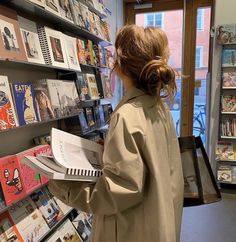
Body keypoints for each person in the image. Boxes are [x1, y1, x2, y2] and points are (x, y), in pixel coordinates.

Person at [48, 25, 184, 242]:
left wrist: (62, 186)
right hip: (158, 223)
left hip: (130, 231)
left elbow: (117, 192)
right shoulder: (159, 108)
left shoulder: (127, 116)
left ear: (120, 65)